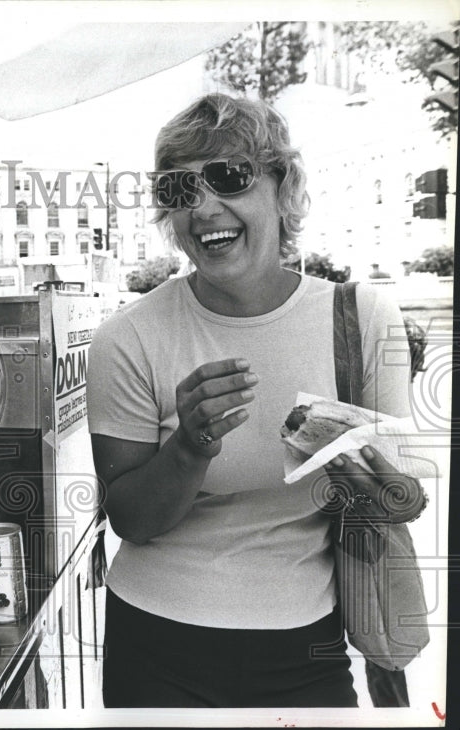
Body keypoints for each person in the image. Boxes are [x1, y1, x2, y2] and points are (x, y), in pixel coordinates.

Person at [87, 93, 426, 708]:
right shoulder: (128, 336)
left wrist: (372, 476)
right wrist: (189, 448)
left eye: (229, 177)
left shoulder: (362, 319)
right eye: (180, 189)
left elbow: (403, 494)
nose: (204, 208)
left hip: (310, 642)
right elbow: (130, 519)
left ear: (280, 184)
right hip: (155, 641)